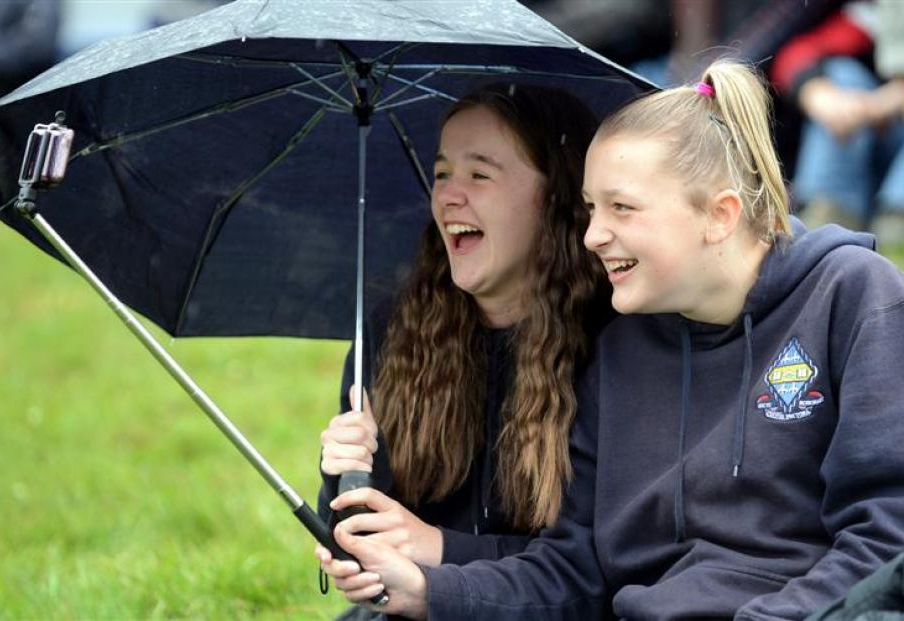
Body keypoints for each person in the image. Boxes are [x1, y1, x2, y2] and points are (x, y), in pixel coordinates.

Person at [320, 60, 904, 619]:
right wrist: (427, 589)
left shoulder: (850, 292)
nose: (594, 235)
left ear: (720, 215)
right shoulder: (624, 345)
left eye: (621, 208)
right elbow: (577, 572)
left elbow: (885, 537)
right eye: (593, 208)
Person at [314, 83, 611, 615]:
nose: (449, 196)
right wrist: (348, 479)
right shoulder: (394, 328)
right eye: (442, 173)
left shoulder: (614, 344)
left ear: (556, 195)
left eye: (479, 174)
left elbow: (593, 568)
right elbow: (361, 544)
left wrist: (437, 547)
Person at [773, 0, 904, 245]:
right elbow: (796, 53)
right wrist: (818, 95)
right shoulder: (866, 19)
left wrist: (876, 106)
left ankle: (896, 222)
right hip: (866, 148)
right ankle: (828, 222)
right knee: (843, 76)